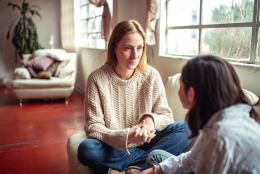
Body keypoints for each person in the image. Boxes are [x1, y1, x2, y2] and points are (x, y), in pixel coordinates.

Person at [77, 20, 193, 174]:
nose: (135, 55)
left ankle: (137, 166)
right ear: (113, 48)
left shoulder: (151, 75)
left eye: (139, 48)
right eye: (127, 48)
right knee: (87, 149)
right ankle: (149, 164)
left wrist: (150, 121)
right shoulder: (97, 78)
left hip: (149, 140)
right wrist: (127, 137)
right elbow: (93, 127)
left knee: (189, 127)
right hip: (116, 146)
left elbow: (166, 116)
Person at [141, 55, 260, 174]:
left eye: (181, 83)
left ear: (191, 93)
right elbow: (191, 160)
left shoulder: (219, 136)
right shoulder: (221, 119)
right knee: (154, 157)